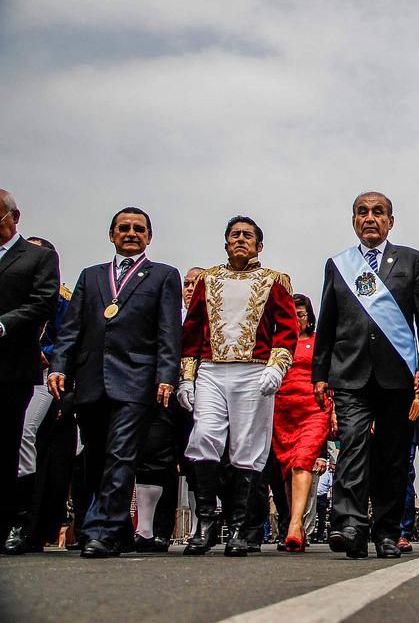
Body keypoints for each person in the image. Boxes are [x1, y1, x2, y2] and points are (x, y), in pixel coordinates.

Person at [47, 206, 182, 558]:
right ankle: (118, 529)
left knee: (121, 454)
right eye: (124, 228)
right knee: (95, 459)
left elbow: (169, 331)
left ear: (149, 236)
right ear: (112, 235)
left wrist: (166, 376)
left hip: (137, 379)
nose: (131, 233)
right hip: (91, 379)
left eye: (139, 228)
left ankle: (101, 532)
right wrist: (59, 366)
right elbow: (71, 328)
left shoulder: (163, 275)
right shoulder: (90, 276)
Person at [312, 191, 419, 559]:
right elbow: (327, 322)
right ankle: (350, 524)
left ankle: (387, 532)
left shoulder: (412, 260)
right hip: (350, 373)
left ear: (390, 222)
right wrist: (320, 372)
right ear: (354, 221)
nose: (370, 217)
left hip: (397, 374)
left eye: (378, 212)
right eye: (362, 212)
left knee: (393, 456)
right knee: (352, 444)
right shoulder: (339, 265)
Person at [178, 215, 299, 556]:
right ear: (226, 243)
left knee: (247, 446)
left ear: (259, 245)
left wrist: (277, 366)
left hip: (253, 371)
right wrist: (187, 376)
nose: (241, 239)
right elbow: (192, 329)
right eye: (235, 234)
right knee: (204, 435)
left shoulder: (275, 281)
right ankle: (205, 523)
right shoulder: (208, 279)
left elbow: (286, 329)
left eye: (248, 235)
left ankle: (239, 528)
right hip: (211, 369)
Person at [0, 193, 60, 553]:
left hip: (14, 366)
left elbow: (43, 303)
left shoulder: (39, 258)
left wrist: (4, 324)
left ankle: (14, 520)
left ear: (14, 216)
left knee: (12, 442)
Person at [130, 265, 204, 553]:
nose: (190, 288)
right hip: (164, 396)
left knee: (198, 462)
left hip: (202, 397)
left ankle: (198, 529)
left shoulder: (213, 319)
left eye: (196, 283)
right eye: (187, 283)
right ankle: (148, 530)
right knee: (154, 457)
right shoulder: (167, 317)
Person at [271, 293, 332, 552]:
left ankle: (295, 525)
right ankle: (294, 524)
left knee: (302, 462)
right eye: (291, 315)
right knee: (287, 469)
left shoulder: (319, 342)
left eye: (301, 314)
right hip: (282, 410)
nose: (297, 319)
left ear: (309, 317)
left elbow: (330, 376)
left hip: (313, 409)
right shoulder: (276, 343)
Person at [397, 416, 419, 552]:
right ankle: (386, 531)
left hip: (407, 432)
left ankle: (403, 533)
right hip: (381, 429)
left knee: (404, 476)